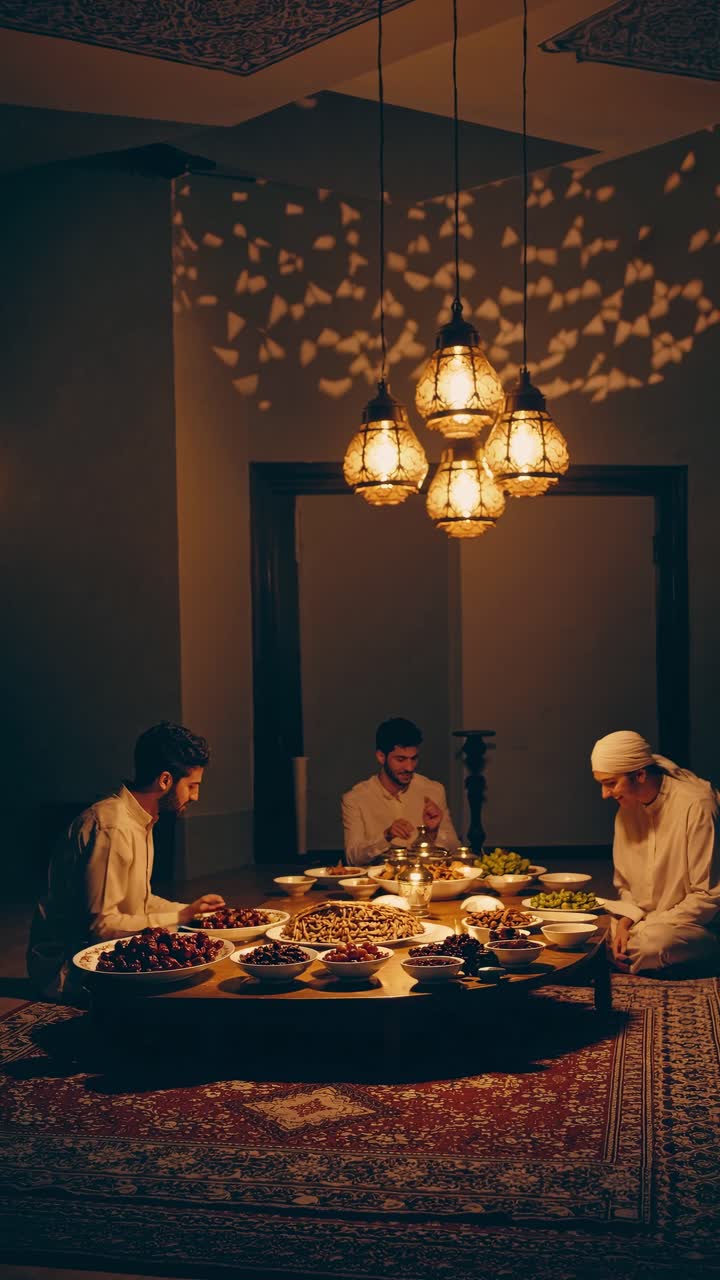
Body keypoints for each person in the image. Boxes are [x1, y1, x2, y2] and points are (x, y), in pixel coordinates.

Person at [27, 721, 225, 1000]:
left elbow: (138, 902)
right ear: (165, 780)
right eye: (192, 786)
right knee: (194, 991)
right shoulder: (113, 826)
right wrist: (181, 917)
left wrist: (192, 911)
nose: (195, 796)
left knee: (208, 957)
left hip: (103, 950)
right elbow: (102, 927)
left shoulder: (139, 818)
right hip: (69, 970)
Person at [591, 729, 720, 975]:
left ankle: (615, 956)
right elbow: (626, 887)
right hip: (643, 922)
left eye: (610, 783)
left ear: (639, 775)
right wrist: (626, 924)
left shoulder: (697, 807)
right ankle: (619, 953)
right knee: (582, 927)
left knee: (655, 943)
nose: (605, 795)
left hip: (694, 926)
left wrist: (642, 927)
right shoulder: (626, 812)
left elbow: (708, 897)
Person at [342, 717, 459, 867]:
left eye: (414, 758)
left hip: (425, 879)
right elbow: (353, 858)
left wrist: (433, 832)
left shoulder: (433, 790)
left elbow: (455, 849)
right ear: (381, 756)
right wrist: (386, 836)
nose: (409, 767)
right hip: (378, 883)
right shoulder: (355, 798)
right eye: (401, 759)